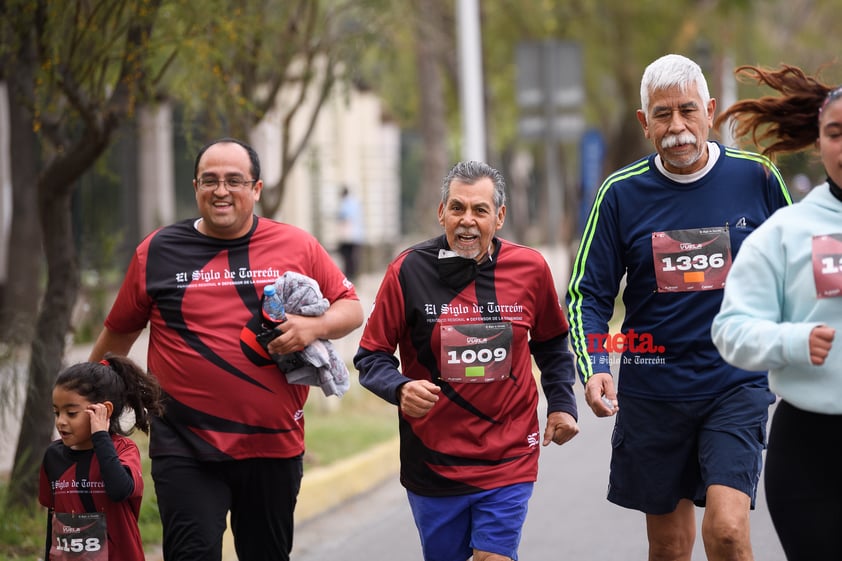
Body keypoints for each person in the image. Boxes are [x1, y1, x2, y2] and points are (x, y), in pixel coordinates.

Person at [88, 138, 364, 561]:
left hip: (273, 447)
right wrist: (86, 407)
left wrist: (313, 327)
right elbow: (119, 335)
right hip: (185, 446)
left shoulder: (297, 245)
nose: (221, 190)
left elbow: (351, 307)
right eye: (210, 180)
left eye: (234, 180)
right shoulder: (157, 251)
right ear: (196, 186)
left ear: (256, 189)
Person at [565, 53, 792, 561]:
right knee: (669, 546)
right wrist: (595, 366)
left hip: (734, 382)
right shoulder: (619, 194)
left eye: (688, 111)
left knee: (729, 531)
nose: (678, 127)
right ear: (644, 123)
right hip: (653, 387)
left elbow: (797, 269)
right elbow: (588, 294)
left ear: (710, 111)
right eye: (663, 115)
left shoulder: (755, 179)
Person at [354, 160, 579, 561]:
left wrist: (561, 404)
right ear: (441, 212)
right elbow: (371, 357)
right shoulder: (407, 271)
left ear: (500, 216)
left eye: (480, 210)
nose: (467, 221)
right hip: (434, 459)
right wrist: (400, 387)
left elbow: (552, 344)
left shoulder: (530, 269)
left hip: (509, 453)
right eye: (457, 208)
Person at [711, 64, 842, 560]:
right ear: (819, 141)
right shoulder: (786, 231)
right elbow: (730, 330)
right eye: (835, 133)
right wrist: (792, 341)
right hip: (810, 453)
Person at [40, 354, 163, 561]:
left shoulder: (123, 450)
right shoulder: (53, 456)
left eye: (71, 413)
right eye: (56, 412)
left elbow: (119, 489)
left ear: (103, 410)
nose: (60, 422)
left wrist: (100, 436)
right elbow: (54, 518)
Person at [336, 185, 364, 280]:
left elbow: (343, 218)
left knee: (347, 257)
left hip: (347, 235)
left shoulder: (344, 204)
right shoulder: (355, 202)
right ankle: (355, 275)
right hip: (357, 235)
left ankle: (350, 275)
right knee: (354, 257)